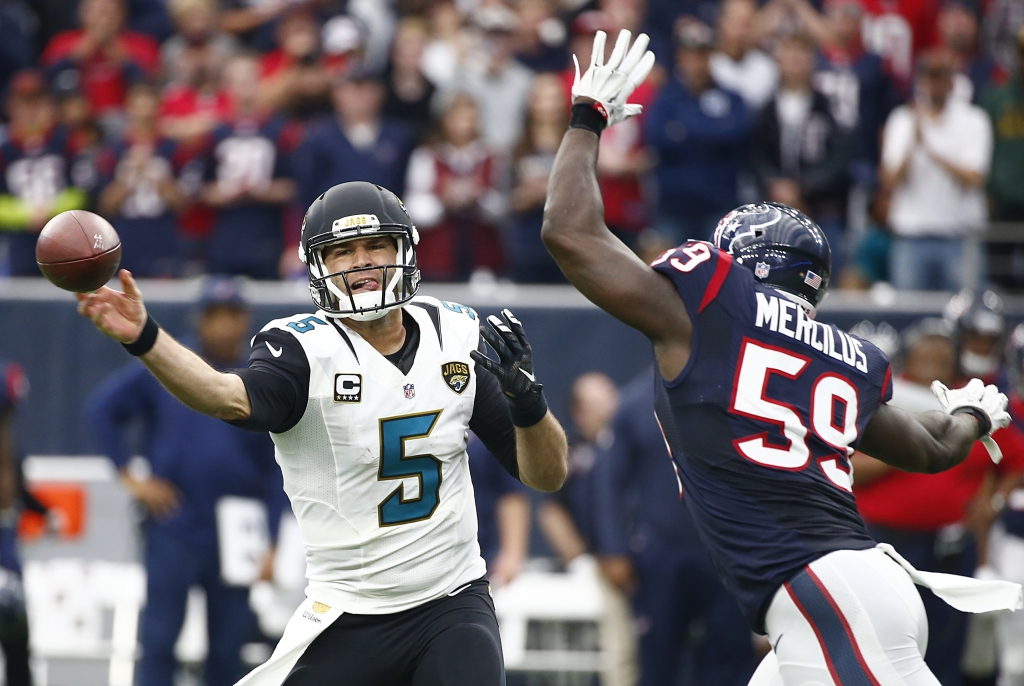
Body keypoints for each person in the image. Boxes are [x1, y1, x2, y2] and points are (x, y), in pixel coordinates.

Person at [541, 29, 1019, 686]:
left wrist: (587, 118)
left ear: (735, 261)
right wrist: (974, 413)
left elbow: (569, 232)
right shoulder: (847, 354)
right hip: (838, 592)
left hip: (826, 593)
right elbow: (934, 446)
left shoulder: (716, 304)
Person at [77, 181, 568, 686]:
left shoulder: (454, 334)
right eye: (342, 251)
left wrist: (529, 405)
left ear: (404, 249)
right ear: (319, 267)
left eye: (375, 245)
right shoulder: (302, 350)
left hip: (450, 602)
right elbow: (224, 395)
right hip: (347, 612)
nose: (361, 261)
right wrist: (145, 338)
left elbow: (547, 476)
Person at [87, 277, 288, 686]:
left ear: (245, 318)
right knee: (159, 641)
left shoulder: (260, 374)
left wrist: (270, 541)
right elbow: (101, 411)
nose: (224, 325)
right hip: (175, 522)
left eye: (232, 314)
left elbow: (277, 468)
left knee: (228, 650)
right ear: (201, 319)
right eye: (214, 315)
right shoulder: (172, 360)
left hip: (236, 533)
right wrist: (133, 479)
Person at [851, 320, 1024, 686]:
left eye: (943, 353)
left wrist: (994, 499)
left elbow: (1015, 459)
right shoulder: (879, 399)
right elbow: (845, 466)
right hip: (881, 540)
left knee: (945, 644)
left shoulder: (970, 406)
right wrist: (910, 448)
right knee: (881, 639)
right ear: (907, 355)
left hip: (950, 541)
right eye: (926, 351)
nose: (934, 358)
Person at [597, 372, 757, 686]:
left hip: (725, 552)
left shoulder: (736, 396)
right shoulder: (634, 405)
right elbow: (608, 483)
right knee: (658, 659)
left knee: (730, 657)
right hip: (661, 553)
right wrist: (612, 548)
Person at [880, 48, 993, 291]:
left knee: (964, 320)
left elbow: (975, 177)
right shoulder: (903, 119)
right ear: (920, 80)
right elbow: (890, 181)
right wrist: (913, 142)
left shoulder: (974, 120)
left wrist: (931, 150)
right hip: (911, 236)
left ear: (952, 81)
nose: (935, 83)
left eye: (941, 76)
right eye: (929, 76)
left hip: (959, 237)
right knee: (909, 320)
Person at [752, 33, 855, 279]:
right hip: (775, 211)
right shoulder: (766, 109)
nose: (795, 61)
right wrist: (774, 184)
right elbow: (756, 155)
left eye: (802, 55)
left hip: (821, 209)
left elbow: (841, 157)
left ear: (813, 61)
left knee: (826, 275)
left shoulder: (829, 108)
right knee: (772, 277)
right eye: (789, 55)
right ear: (778, 61)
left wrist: (804, 187)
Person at [645, 20, 750, 243]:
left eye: (702, 54)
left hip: (718, 204)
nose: (695, 62)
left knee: (717, 273)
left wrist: (683, 130)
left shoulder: (731, 98)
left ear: (711, 56)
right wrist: (712, 130)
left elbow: (737, 134)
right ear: (680, 57)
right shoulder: (666, 98)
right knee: (667, 272)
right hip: (674, 205)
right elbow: (656, 137)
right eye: (689, 55)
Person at [200, 53, 300, 280]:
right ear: (227, 86)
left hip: (267, 235)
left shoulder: (279, 130)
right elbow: (203, 189)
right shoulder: (216, 133)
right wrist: (228, 192)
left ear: (259, 82)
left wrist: (260, 190)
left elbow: (294, 187)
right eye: (237, 79)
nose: (244, 86)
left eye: (249, 78)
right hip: (226, 236)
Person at [403, 92, 507, 282]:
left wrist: (480, 197)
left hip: (482, 254)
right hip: (437, 256)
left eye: (470, 118)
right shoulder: (427, 156)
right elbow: (414, 210)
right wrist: (442, 201)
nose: (464, 125)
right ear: (445, 120)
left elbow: (502, 208)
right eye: (457, 118)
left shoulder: (491, 156)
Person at [0, 70, 89, 277]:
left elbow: (83, 190)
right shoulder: (6, 151)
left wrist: (51, 211)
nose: (31, 111)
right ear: (11, 107)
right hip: (20, 240)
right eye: (24, 104)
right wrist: (25, 215)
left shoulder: (65, 143)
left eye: (37, 103)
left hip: (64, 236)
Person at [96, 82, 188, 278]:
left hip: (162, 233)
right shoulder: (115, 150)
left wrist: (156, 176)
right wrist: (129, 177)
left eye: (149, 107)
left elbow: (182, 204)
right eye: (139, 107)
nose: (144, 114)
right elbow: (105, 206)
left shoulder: (171, 148)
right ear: (129, 109)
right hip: (125, 233)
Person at [0, 358, 34, 686]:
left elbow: (19, 494)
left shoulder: (10, 449)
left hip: (9, 572)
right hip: (6, 572)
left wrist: (45, 512)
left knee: (17, 652)